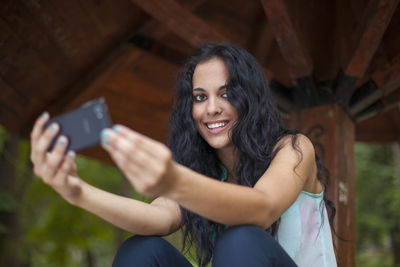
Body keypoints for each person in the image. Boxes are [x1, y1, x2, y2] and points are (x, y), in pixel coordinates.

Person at [30, 43, 337, 267]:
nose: (211, 108)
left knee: (241, 239)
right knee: (141, 251)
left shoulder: (294, 149)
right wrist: (76, 191)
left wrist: (174, 180)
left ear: (251, 99)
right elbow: (156, 217)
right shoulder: (203, 169)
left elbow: (262, 208)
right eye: (200, 97)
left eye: (227, 93)